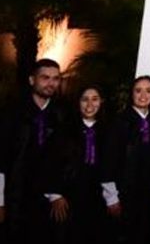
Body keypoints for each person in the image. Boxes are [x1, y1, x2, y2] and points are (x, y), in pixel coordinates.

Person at [0, 58, 70, 244]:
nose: (51, 83)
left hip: (42, 200)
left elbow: (61, 158)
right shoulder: (12, 113)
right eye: (45, 77)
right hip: (13, 195)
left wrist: (56, 193)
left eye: (55, 78)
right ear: (31, 80)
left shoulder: (60, 116)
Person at [43, 85, 109, 244]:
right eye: (85, 99)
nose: (89, 105)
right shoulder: (64, 130)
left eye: (95, 99)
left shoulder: (108, 131)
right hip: (67, 199)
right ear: (78, 102)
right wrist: (55, 194)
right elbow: (49, 162)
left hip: (96, 199)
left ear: (101, 102)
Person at [100, 76, 150, 244]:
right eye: (138, 90)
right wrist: (111, 196)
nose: (143, 95)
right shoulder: (119, 123)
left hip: (145, 197)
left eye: (149, 91)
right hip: (122, 194)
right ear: (131, 93)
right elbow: (108, 161)